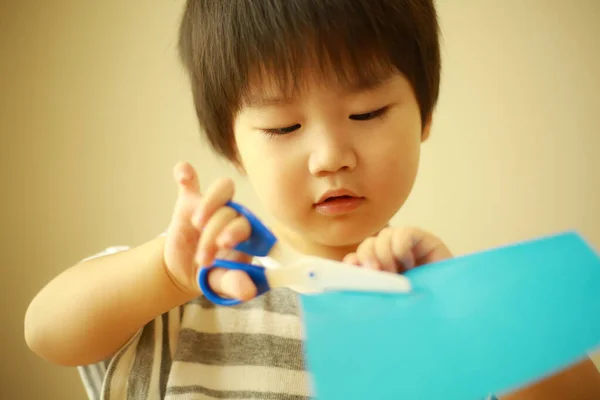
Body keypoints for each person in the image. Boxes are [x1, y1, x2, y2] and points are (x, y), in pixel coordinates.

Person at [24, 1, 600, 399]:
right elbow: (45, 332)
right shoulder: (186, 294)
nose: (330, 156)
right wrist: (168, 273)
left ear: (424, 115)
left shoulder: (451, 316)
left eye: (367, 113)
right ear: (233, 144)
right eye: (281, 127)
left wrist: (460, 301)